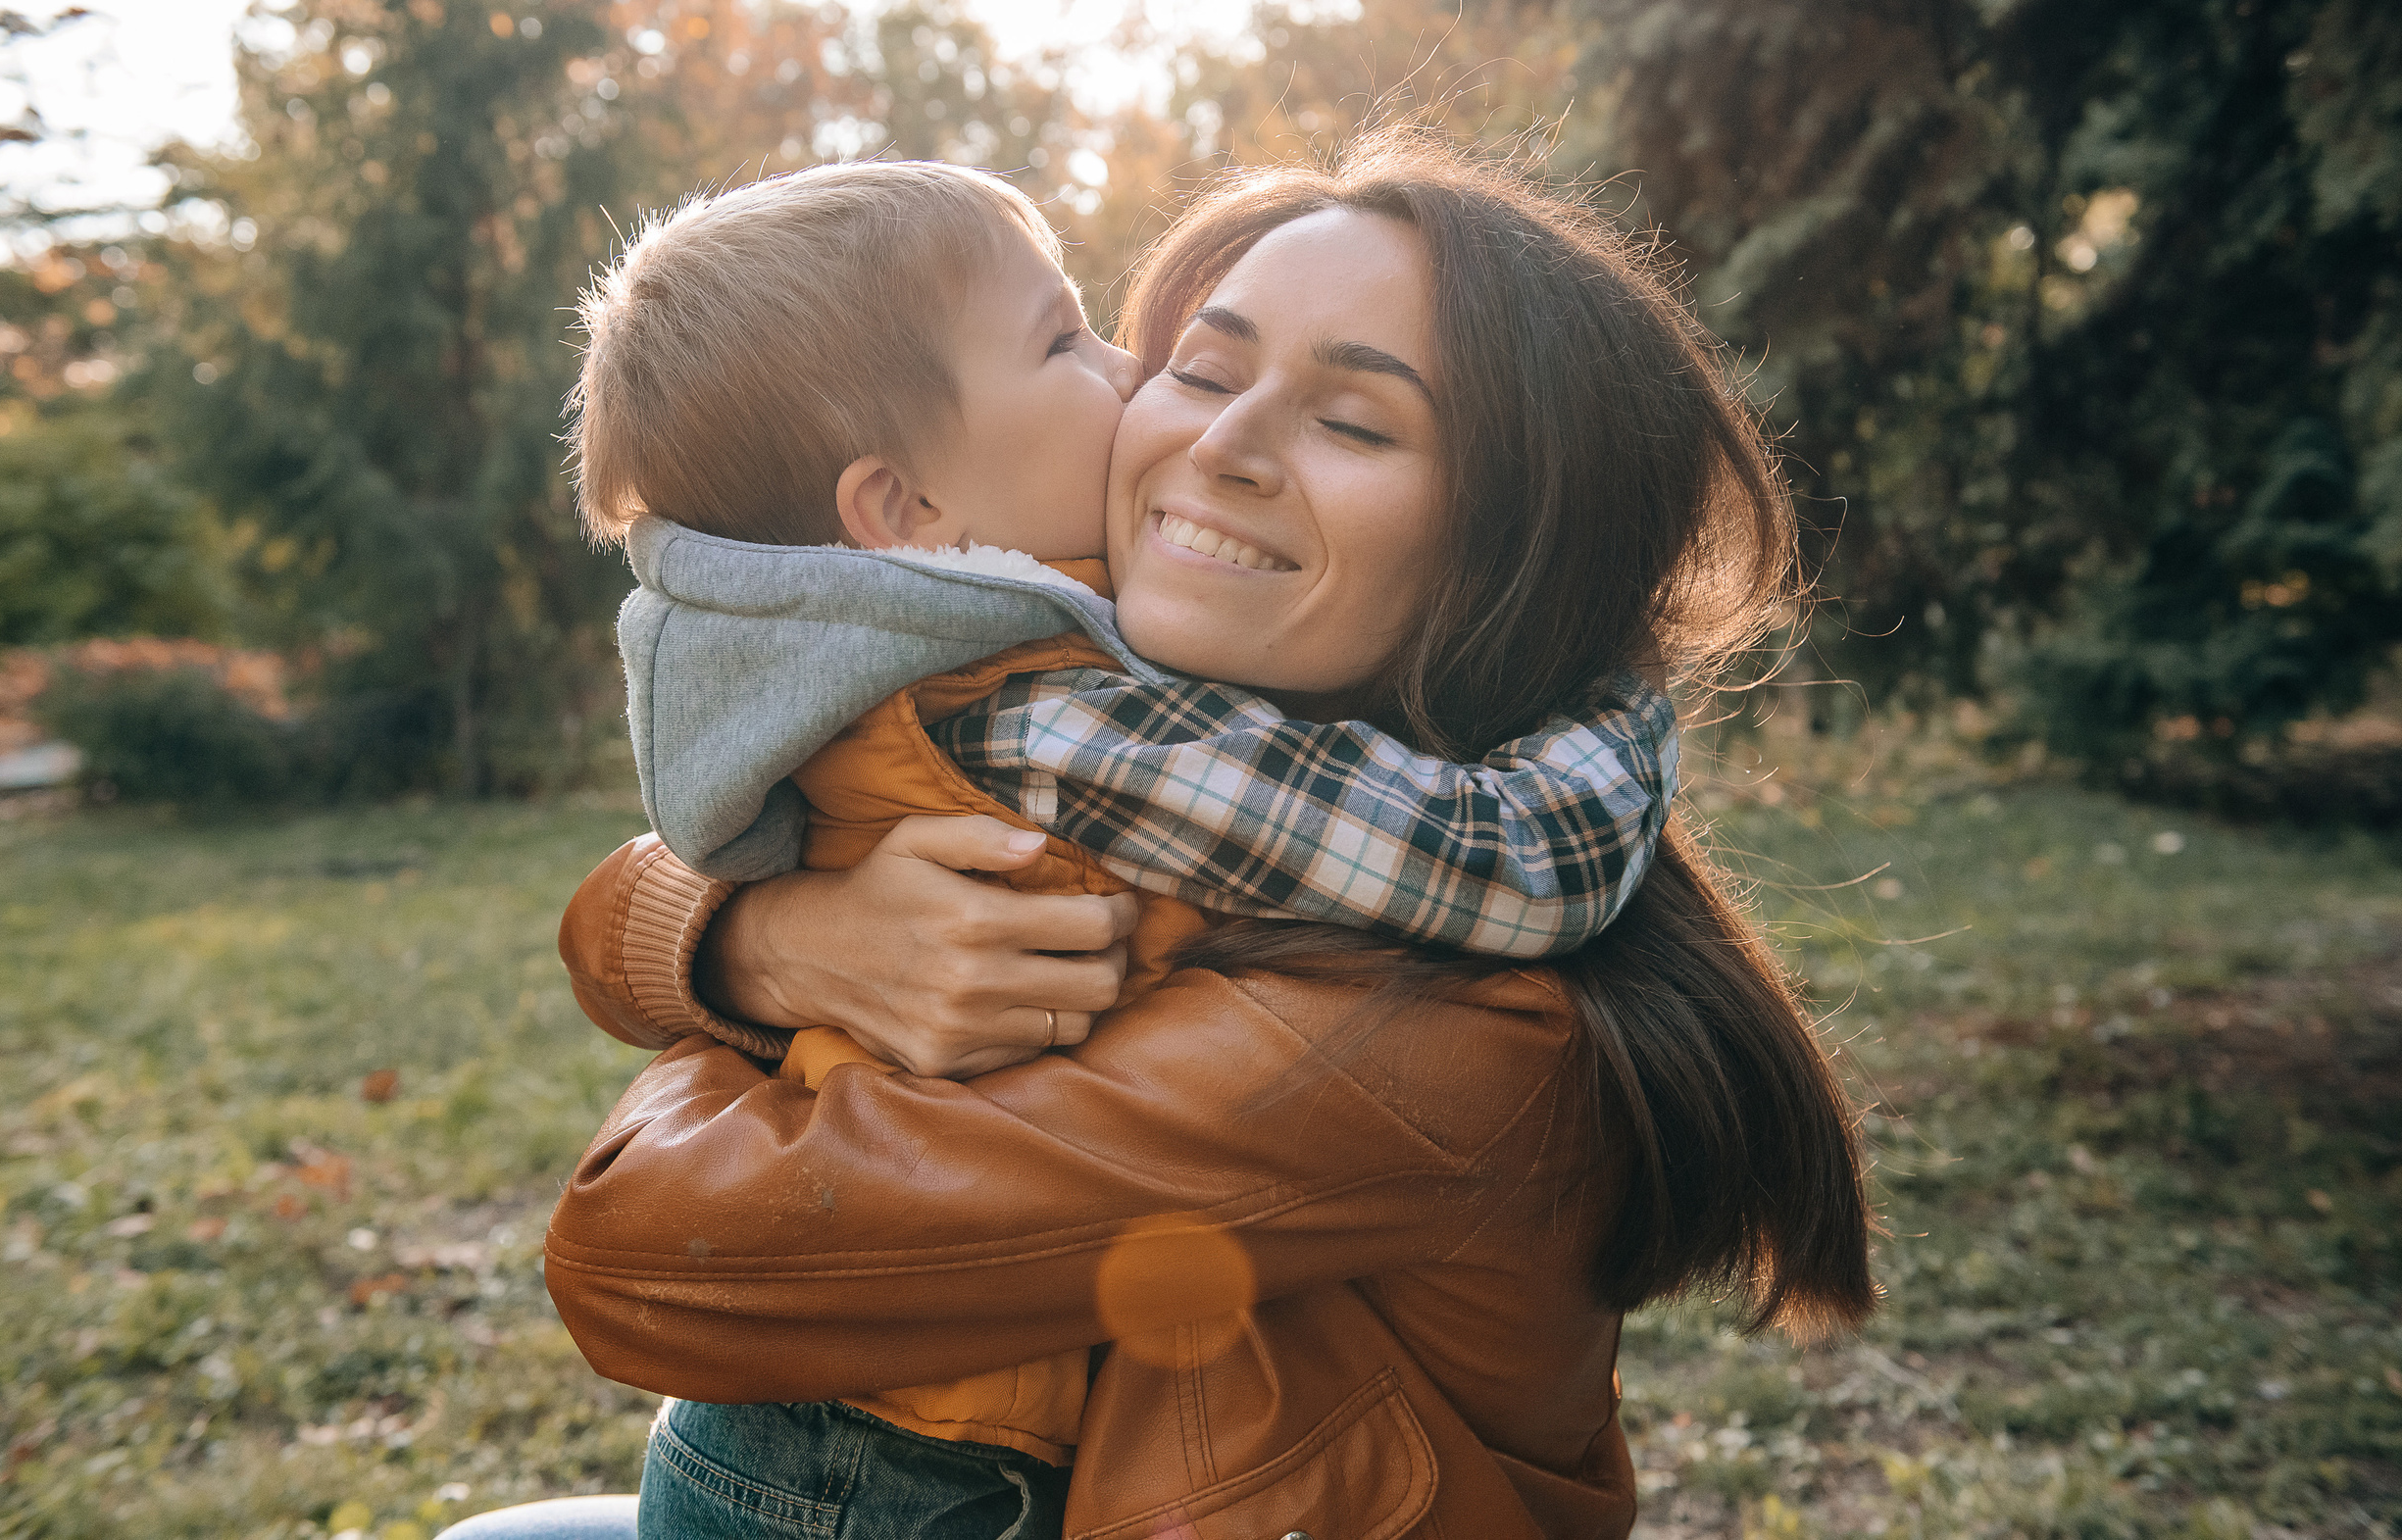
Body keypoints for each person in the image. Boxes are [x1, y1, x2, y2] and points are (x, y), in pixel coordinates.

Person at [456, 130, 1875, 1539]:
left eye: (1358, 422)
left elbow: (633, 1250)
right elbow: (625, 907)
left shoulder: (1457, 1035)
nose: (1218, 440)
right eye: (1198, 367)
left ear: (1515, 549)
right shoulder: (1048, 704)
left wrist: (754, 950)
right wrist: (772, 940)